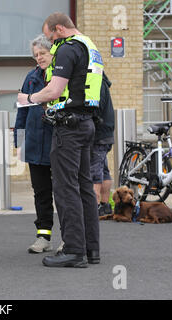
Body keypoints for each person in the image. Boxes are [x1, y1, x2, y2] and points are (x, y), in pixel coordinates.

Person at [18, 12, 103, 268]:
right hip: (87, 122)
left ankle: (74, 251)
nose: (50, 43)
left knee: (66, 189)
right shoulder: (90, 46)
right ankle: (91, 249)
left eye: (50, 36)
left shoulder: (67, 49)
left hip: (69, 126)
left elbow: (55, 90)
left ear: (59, 29)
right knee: (84, 187)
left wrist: (29, 99)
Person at [14, 34, 55, 253]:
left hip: (58, 145)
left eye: (42, 53)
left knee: (64, 193)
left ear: (52, 52)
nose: (39, 58)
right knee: (41, 192)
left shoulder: (61, 76)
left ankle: (70, 237)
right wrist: (20, 142)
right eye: (36, 54)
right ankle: (43, 236)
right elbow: (21, 113)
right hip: (35, 145)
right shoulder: (31, 78)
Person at [91, 72, 115, 216]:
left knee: (95, 173)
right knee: (103, 170)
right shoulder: (103, 81)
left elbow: (96, 109)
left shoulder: (96, 82)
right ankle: (105, 206)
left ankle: (95, 207)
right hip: (106, 133)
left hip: (98, 134)